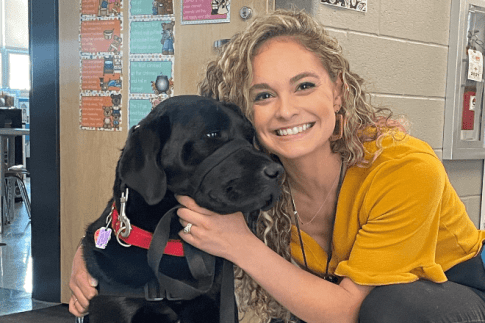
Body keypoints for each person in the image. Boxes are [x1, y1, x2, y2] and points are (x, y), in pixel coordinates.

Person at [70, 9, 485, 323]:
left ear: (338, 91)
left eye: (305, 86)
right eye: (264, 95)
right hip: (335, 298)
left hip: (445, 297)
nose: (286, 110)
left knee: (390, 306)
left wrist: (241, 244)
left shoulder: (403, 166)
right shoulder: (258, 168)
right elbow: (149, 200)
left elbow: (346, 311)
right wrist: (94, 254)